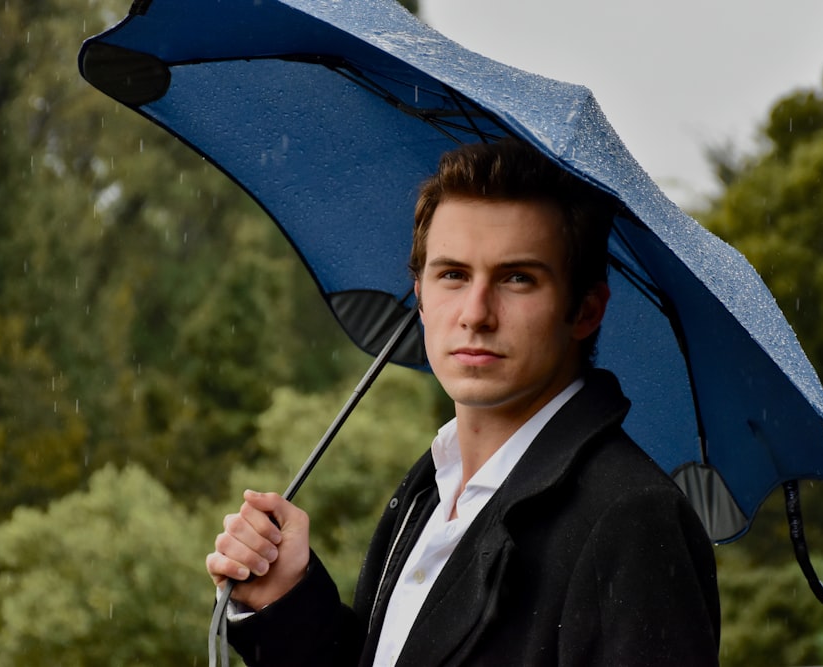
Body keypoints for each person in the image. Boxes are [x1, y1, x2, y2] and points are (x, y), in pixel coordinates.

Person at [206, 139, 720, 666]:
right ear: (421, 297)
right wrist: (288, 599)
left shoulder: (631, 520)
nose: (475, 313)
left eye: (517, 278)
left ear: (586, 310)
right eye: (452, 274)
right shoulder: (425, 491)